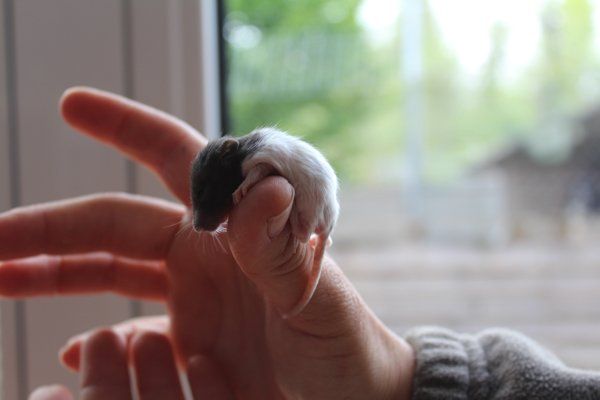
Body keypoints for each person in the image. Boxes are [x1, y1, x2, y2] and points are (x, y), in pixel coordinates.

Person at [0, 87, 598, 400]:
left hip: (314, 205)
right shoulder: (248, 162)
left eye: (212, 205)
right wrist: (392, 388)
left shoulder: (263, 160)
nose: (208, 218)